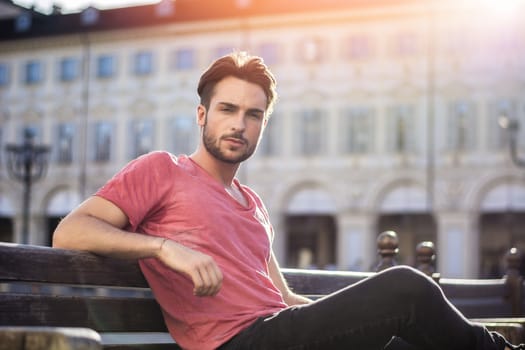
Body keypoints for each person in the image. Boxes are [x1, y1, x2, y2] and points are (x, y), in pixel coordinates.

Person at [53, 51, 523, 350]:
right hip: (237, 343)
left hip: (280, 330)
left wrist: (353, 315)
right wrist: (163, 247)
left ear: (262, 125)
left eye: (253, 114)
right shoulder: (162, 170)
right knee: (405, 286)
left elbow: (283, 298)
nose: (239, 124)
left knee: (406, 340)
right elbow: (69, 232)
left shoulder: (251, 201)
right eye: (227, 110)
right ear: (202, 115)